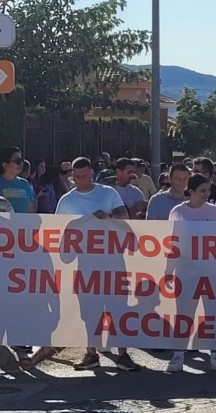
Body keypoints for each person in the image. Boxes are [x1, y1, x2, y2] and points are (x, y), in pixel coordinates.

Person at [56, 157, 140, 371]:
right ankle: (91, 353)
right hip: (85, 265)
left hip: (113, 261)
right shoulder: (67, 200)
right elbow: (59, 230)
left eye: (84, 176)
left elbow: (124, 216)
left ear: (92, 173)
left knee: (117, 309)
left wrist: (108, 217)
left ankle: (123, 354)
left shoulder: (108, 193)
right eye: (76, 177)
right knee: (88, 311)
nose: (80, 180)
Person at [167, 174, 216, 372]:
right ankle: (178, 355)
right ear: (190, 192)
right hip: (186, 272)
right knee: (184, 314)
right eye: (202, 190)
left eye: (208, 190)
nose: (206, 194)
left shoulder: (214, 210)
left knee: (213, 314)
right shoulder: (177, 212)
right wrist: (169, 271)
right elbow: (172, 244)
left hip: (212, 271)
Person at [0, 147, 36, 213]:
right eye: (18, 161)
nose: (21, 164)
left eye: (22, 160)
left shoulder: (25, 184)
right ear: (5, 165)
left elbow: (31, 210)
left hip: (24, 223)